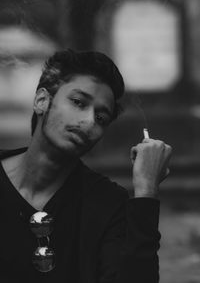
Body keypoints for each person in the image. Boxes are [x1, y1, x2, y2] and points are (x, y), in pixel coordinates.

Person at [0, 49, 172, 283]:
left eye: (101, 118)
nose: (90, 121)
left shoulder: (107, 203)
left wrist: (146, 191)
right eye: (78, 102)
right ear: (42, 100)